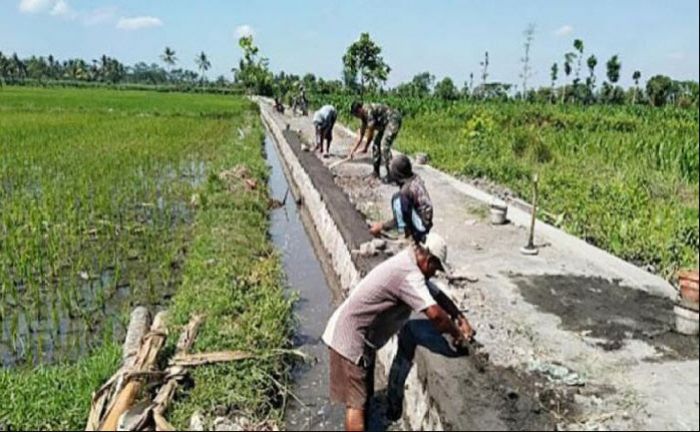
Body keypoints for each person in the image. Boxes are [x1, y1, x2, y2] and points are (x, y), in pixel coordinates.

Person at [322, 233, 475, 431]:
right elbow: (436, 315)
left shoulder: (410, 263)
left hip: (361, 339)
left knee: (364, 399)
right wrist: (457, 335)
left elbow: (438, 296)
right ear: (428, 260)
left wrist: (459, 317)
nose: (434, 274)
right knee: (356, 403)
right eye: (435, 268)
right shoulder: (409, 274)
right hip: (349, 339)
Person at [370, 155, 433, 243]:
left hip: (421, 227)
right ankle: (411, 232)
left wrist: (382, 226)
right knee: (401, 201)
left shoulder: (405, 192)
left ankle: (405, 236)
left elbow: (399, 218)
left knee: (397, 199)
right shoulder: (414, 178)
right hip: (425, 221)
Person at [348, 101, 402, 182]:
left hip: (393, 119)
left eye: (356, 114)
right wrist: (353, 150)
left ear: (359, 110)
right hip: (384, 124)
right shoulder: (363, 116)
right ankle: (376, 173)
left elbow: (370, 133)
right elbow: (361, 135)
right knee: (376, 145)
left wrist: (365, 148)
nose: (356, 117)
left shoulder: (368, 111)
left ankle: (393, 174)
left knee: (384, 146)